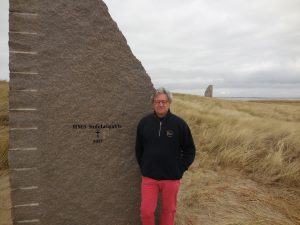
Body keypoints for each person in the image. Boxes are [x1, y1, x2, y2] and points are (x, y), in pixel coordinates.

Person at [135, 87, 196, 225]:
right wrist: (145, 166)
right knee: (146, 211)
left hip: (171, 178)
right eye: (157, 102)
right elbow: (139, 149)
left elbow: (190, 150)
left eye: (164, 101)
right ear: (153, 103)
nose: (161, 104)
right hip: (149, 177)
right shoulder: (144, 123)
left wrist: (179, 169)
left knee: (169, 211)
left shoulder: (180, 124)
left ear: (169, 103)